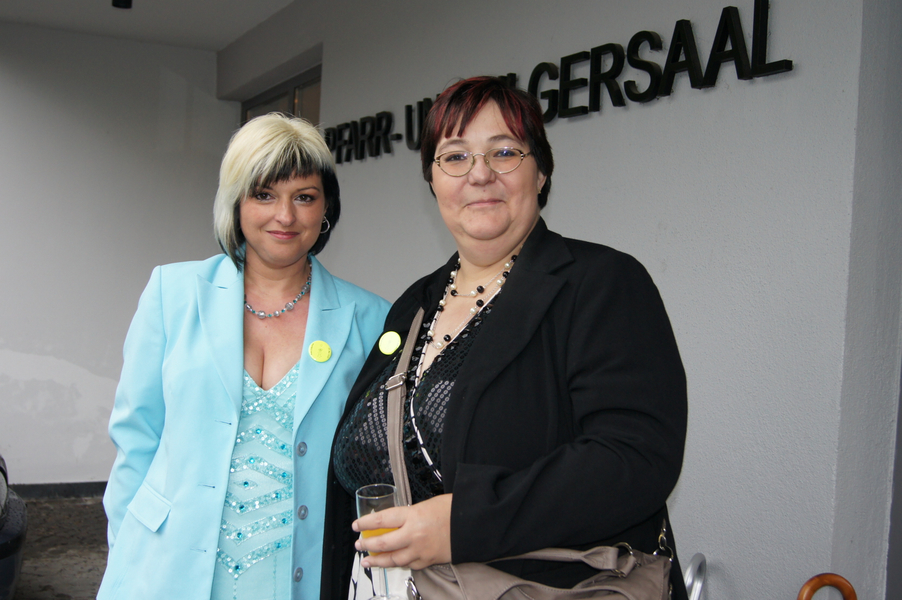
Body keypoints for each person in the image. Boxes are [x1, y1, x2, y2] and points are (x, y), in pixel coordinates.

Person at [322, 76, 689, 600]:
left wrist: (463, 522)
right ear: (433, 180)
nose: (480, 174)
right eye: (455, 156)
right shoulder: (413, 305)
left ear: (541, 172)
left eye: (505, 152)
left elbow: (634, 458)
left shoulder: (600, 284)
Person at [98, 113, 390, 600]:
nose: (285, 216)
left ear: (326, 208)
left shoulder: (370, 319)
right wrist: (124, 560)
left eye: (304, 197)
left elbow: (372, 465)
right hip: (165, 569)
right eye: (264, 195)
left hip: (301, 574)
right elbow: (136, 442)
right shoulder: (172, 294)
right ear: (235, 204)